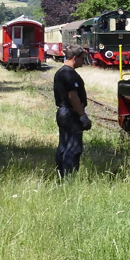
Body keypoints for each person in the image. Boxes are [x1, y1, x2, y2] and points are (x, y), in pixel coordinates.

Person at [54, 44, 92, 179]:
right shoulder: (69, 74)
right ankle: (69, 179)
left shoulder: (60, 72)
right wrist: (83, 116)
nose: (83, 62)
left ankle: (61, 176)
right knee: (73, 148)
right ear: (75, 58)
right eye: (82, 59)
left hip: (62, 113)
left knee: (63, 146)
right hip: (70, 114)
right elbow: (73, 97)